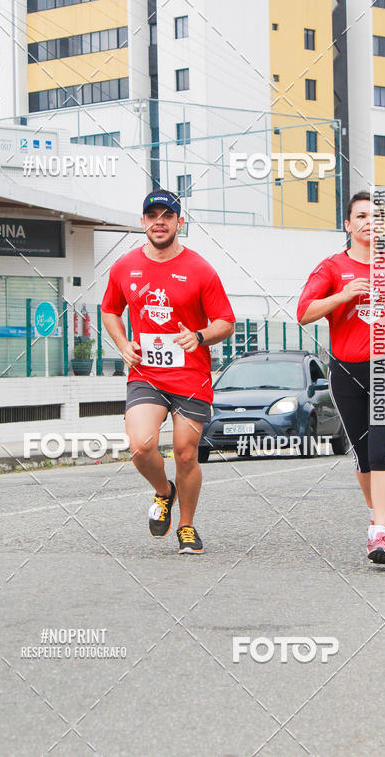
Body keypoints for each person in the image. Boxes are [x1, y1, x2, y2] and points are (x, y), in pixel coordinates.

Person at [102, 189, 235, 554]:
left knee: (185, 453)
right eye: (152, 215)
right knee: (141, 446)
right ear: (143, 222)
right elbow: (109, 310)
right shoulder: (124, 266)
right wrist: (122, 343)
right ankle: (164, 491)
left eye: (167, 215)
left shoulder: (200, 269)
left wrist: (199, 335)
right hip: (146, 373)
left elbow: (226, 322)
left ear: (180, 222)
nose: (159, 222)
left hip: (191, 377)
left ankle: (187, 526)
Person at [297, 191, 385, 565]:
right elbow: (304, 312)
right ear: (348, 225)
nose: (369, 222)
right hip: (346, 370)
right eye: (361, 216)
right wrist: (343, 295)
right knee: (364, 457)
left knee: (382, 450)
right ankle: (375, 514)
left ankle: (379, 533)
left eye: (376, 216)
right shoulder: (331, 268)